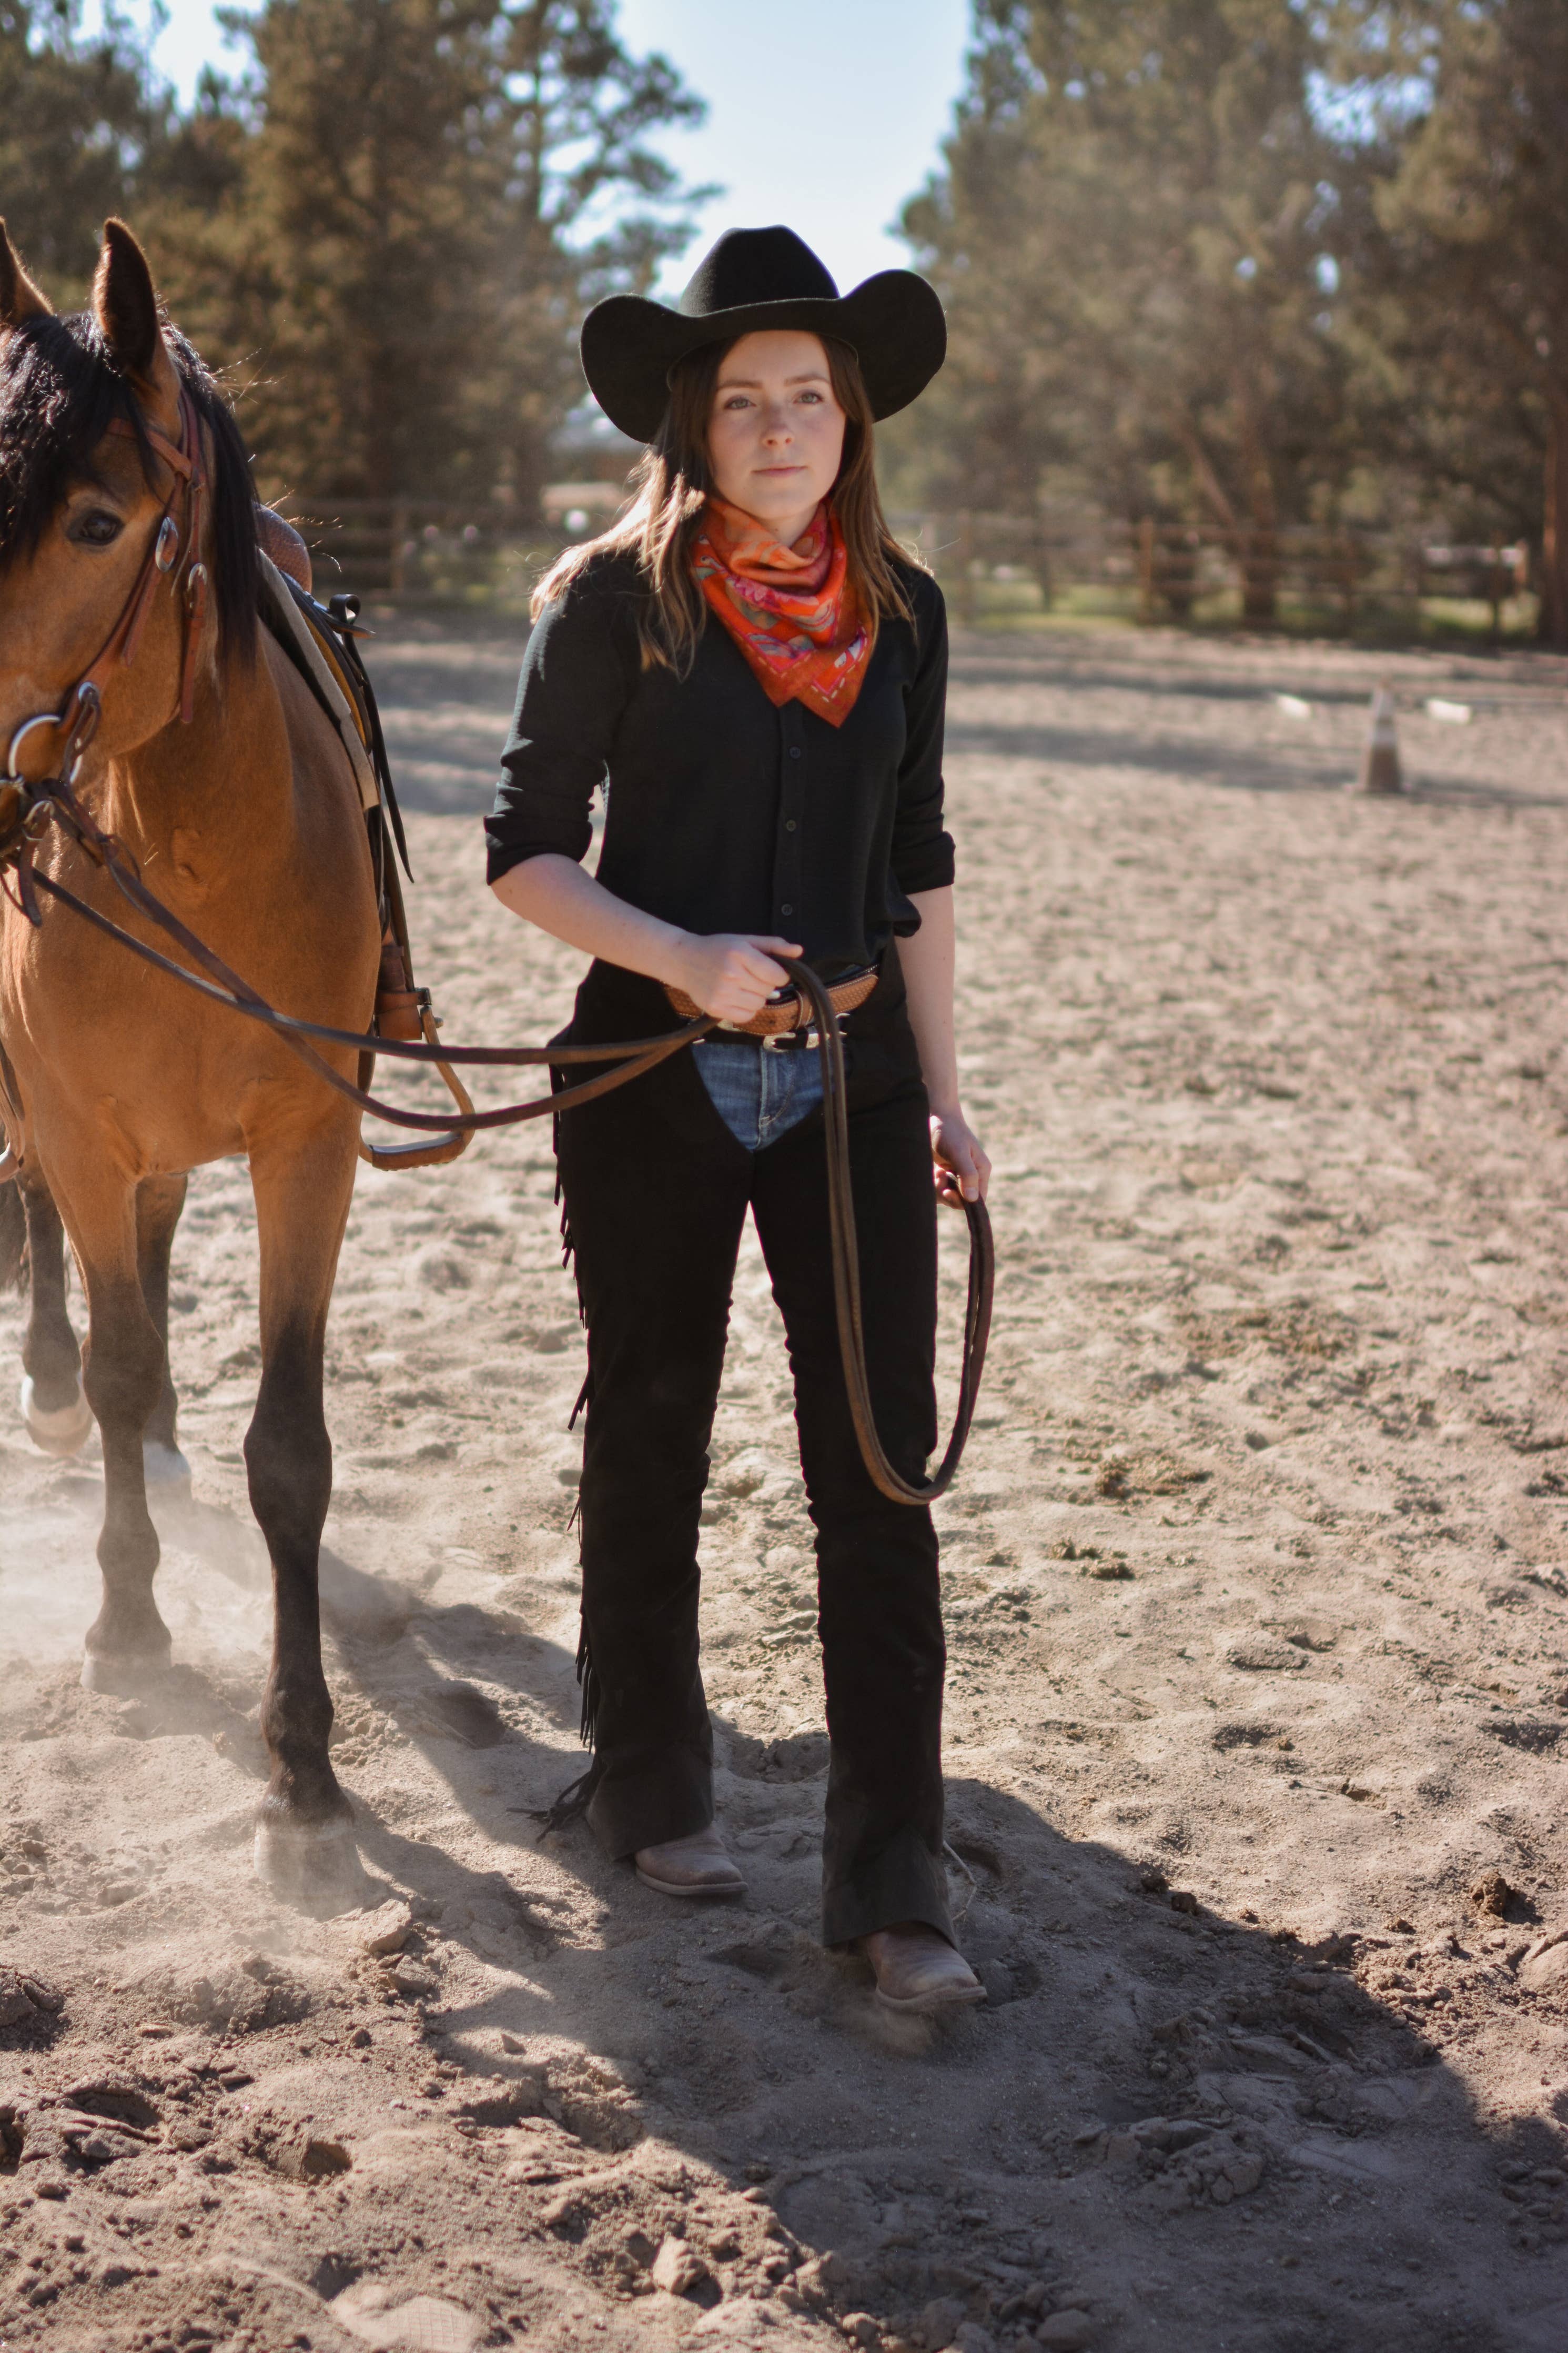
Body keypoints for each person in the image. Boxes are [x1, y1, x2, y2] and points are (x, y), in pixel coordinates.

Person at [487, 226, 991, 2013]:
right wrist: (682, 957)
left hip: (852, 1088)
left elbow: (915, 872)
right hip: (649, 1079)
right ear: (694, 427)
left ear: (851, 420)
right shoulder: (610, 601)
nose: (780, 429)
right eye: (743, 402)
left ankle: (895, 1887)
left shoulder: (909, 614)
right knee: (651, 1435)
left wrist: (945, 1095)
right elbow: (525, 853)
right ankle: (645, 1783)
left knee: (879, 1475)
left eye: (809, 398)